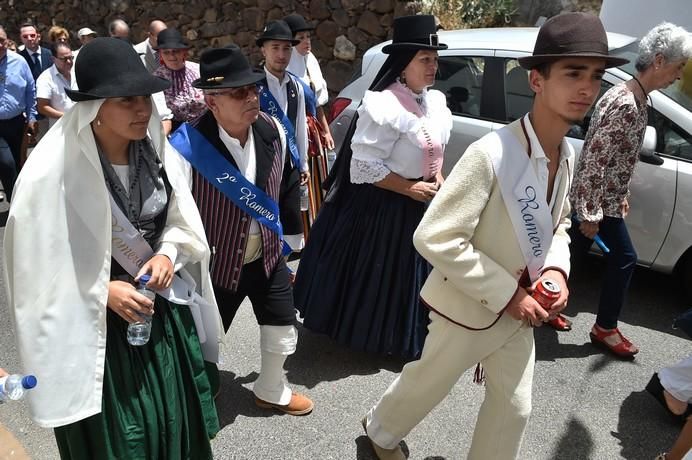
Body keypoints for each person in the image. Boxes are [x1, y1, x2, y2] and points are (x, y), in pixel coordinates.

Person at [361, 13, 625, 460]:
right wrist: (508, 294)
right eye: (573, 73)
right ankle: (379, 431)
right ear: (537, 80)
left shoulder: (566, 155)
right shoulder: (491, 154)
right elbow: (436, 237)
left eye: (596, 76)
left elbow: (557, 223)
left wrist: (558, 272)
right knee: (428, 382)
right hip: (469, 305)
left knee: (515, 407)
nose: (587, 87)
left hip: (521, 311)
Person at [4, 37, 223, 459]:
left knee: (171, 421)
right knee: (125, 439)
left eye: (144, 97)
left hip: (159, 315)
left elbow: (181, 221)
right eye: (125, 100)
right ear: (93, 107)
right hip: (93, 332)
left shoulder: (159, 155)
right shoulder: (50, 173)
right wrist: (100, 290)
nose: (142, 109)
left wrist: (167, 254)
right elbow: (33, 267)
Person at [167, 45, 314, 416]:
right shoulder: (185, 146)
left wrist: (291, 243)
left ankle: (271, 389)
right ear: (211, 100)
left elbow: (287, 185)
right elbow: (175, 215)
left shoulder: (273, 129)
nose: (251, 97)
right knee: (205, 339)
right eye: (238, 92)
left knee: (281, 326)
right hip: (213, 264)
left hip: (266, 255)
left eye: (253, 88)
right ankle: (202, 391)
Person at [293, 15, 451, 359]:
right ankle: (377, 338)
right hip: (385, 206)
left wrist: (435, 177)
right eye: (425, 59)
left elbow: (433, 152)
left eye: (435, 59)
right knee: (383, 276)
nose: (433, 66)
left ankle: (406, 335)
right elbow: (362, 165)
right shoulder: (385, 105)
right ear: (403, 64)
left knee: (412, 276)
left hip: (420, 202)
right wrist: (408, 188)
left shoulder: (433, 102)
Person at [570, 22, 692, 358]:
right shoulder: (627, 102)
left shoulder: (635, 96)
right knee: (624, 258)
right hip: (597, 202)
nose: (678, 76)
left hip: (603, 200)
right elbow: (595, 159)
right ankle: (605, 327)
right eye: (678, 66)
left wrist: (619, 195)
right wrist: (591, 213)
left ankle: (548, 304)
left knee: (570, 252)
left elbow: (613, 157)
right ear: (658, 60)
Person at [257, 20, 309, 251]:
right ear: (263, 50)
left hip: (289, 166)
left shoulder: (296, 86)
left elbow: (299, 126)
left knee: (290, 223)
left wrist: (304, 164)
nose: (281, 54)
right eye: (275, 47)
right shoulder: (252, 85)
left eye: (286, 48)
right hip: (260, 165)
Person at [284, 13, 334, 235]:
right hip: (294, 130)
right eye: (301, 38)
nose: (307, 42)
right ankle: (301, 233)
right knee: (300, 181)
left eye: (308, 36)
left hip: (313, 130)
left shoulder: (310, 61)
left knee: (317, 178)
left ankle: (317, 228)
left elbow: (319, 103)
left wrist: (326, 130)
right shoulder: (285, 70)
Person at [0, 25, 37, 201]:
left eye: (2, 40)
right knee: (6, 163)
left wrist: (31, 116)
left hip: (16, 122)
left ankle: (21, 201)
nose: (0, 44)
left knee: (19, 162)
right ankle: (15, 200)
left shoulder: (19, 62)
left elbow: (30, 90)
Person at [152, 28, 205, 131]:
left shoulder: (198, 71)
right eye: (166, 52)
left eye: (175, 51)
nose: (171, 56)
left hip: (206, 127)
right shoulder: (156, 79)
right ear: (160, 54)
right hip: (176, 133)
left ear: (183, 52)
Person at [36, 41, 77, 128]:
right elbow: (42, 107)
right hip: (61, 127)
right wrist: (67, 116)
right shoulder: (46, 78)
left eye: (71, 57)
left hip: (82, 124)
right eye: (64, 59)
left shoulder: (78, 72)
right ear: (53, 59)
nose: (69, 61)